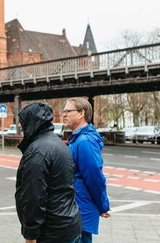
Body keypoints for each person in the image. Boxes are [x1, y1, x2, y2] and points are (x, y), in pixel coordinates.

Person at [15, 102, 82, 243]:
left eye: (23, 125)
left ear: (32, 124)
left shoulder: (37, 152)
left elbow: (34, 197)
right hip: (69, 226)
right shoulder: (60, 144)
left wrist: (31, 235)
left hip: (51, 233)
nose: (21, 129)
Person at [63, 98, 111, 243]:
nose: (64, 114)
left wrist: (103, 206)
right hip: (77, 208)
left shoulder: (84, 141)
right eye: (63, 111)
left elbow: (94, 177)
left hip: (80, 210)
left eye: (68, 111)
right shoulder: (78, 139)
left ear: (81, 113)